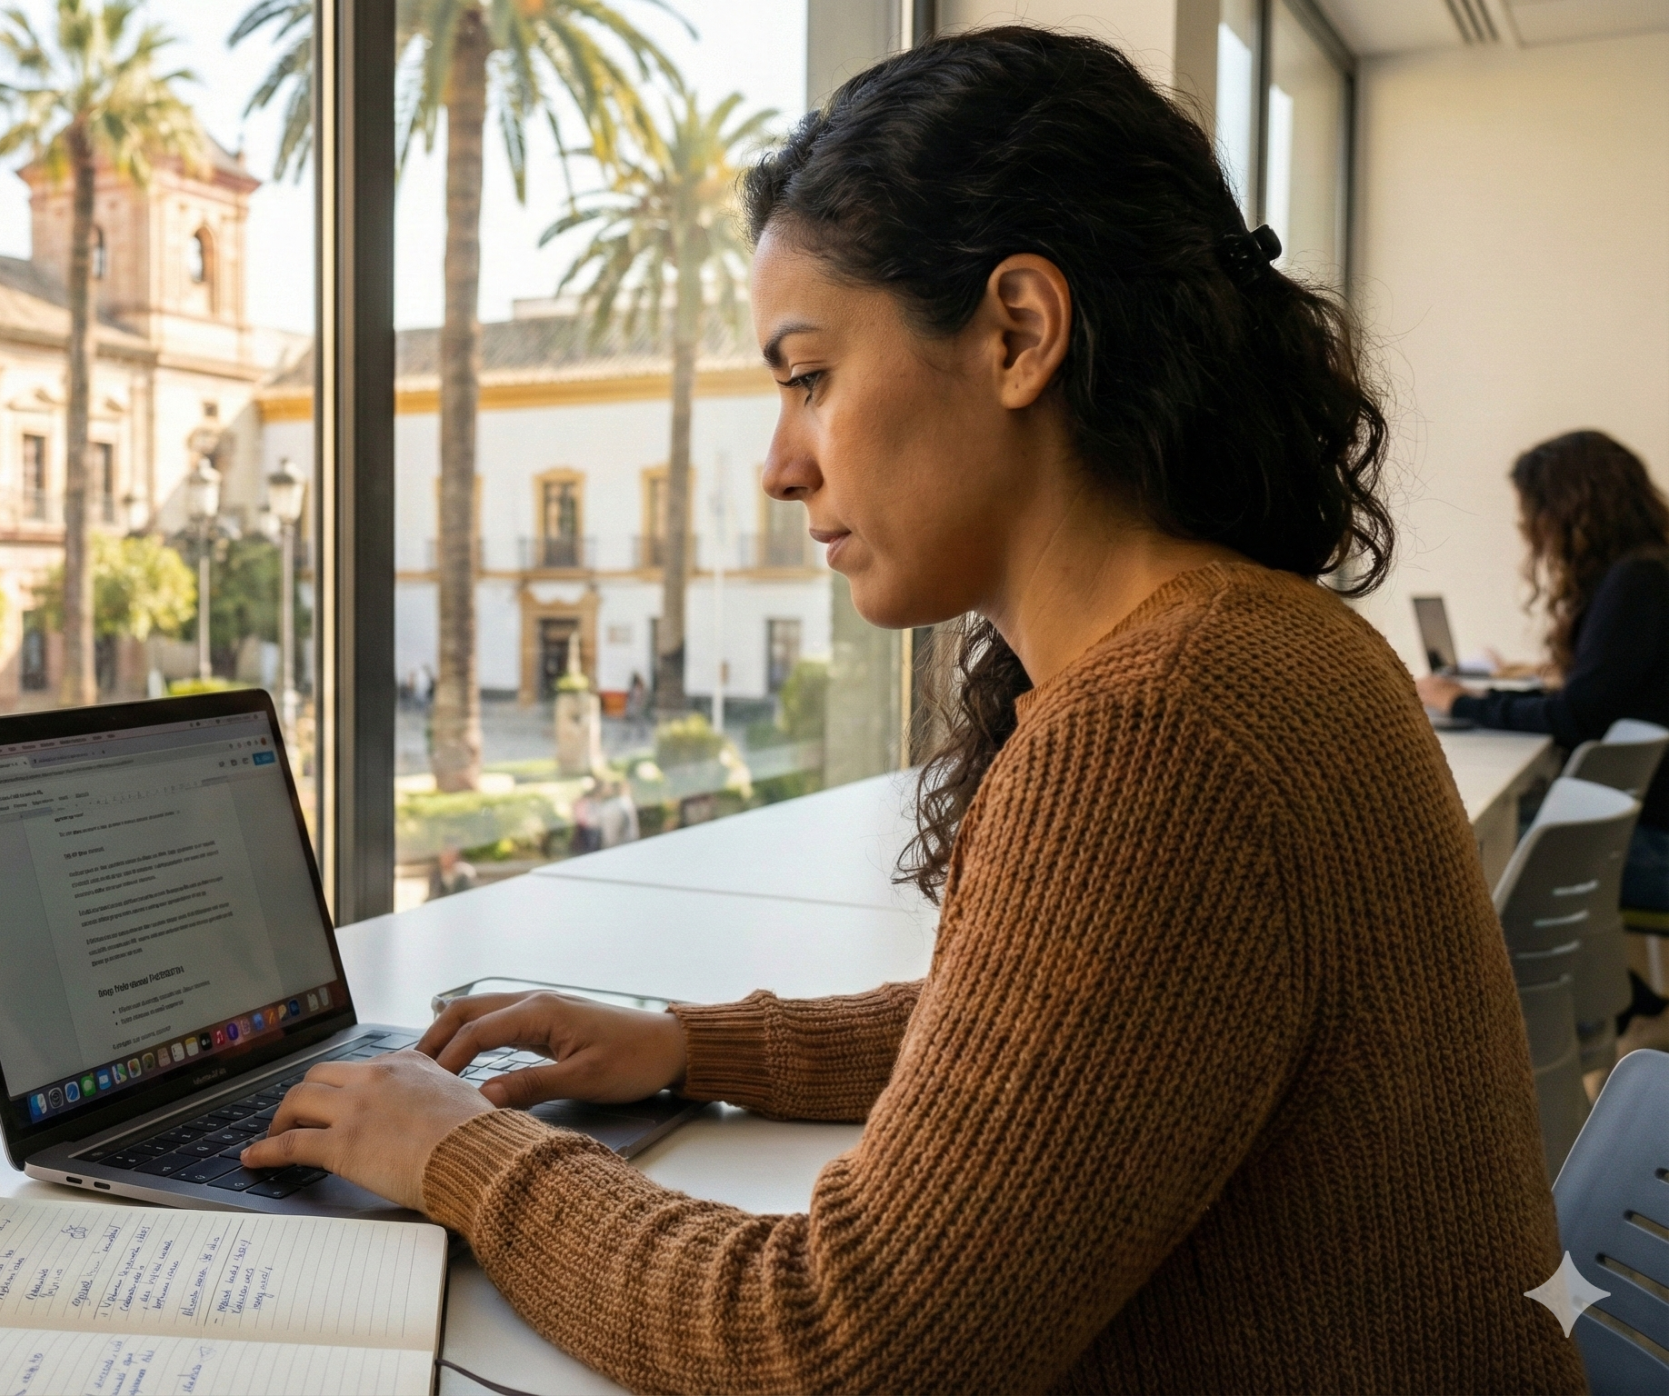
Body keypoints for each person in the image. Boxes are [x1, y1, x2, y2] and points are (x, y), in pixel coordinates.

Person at [237, 30, 1578, 1391]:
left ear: (1018, 333)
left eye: (809, 375)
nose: (777, 463)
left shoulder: (1164, 723)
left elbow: (841, 1344)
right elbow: (1041, 1051)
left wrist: (459, 1153)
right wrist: (694, 1045)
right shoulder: (1258, 646)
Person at [1418, 430, 1669, 1025]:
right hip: (1648, 827)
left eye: (1531, 513)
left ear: (1567, 506)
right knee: (1516, 819)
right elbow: (1592, 699)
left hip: (1654, 848)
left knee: (1462, 846)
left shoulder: (1637, 582)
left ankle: (1554, 1010)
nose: (1529, 531)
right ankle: (1610, 992)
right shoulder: (1646, 571)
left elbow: (1575, 717)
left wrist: (1460, 703)